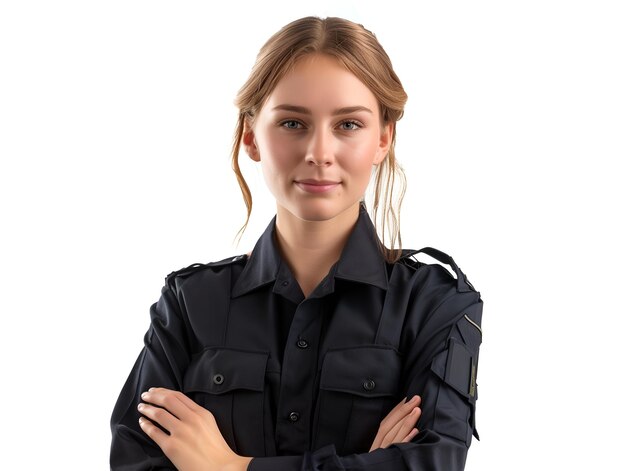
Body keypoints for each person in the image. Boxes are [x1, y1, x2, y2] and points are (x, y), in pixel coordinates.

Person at [110, 16, 483, 471]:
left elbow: (435, 463)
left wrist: (232, 467)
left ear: (382, 137)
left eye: (348, 124)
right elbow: (135, 462)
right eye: (292, 122)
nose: (319, 152)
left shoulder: (436, 303)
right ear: (251, 136)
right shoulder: (189, 304)